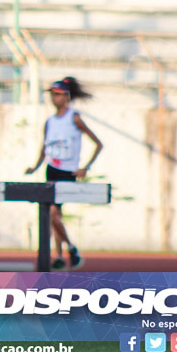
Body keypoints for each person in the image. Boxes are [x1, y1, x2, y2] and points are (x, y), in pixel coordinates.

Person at [25, 77, 103, 270]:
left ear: (66, 97)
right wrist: (35, 167)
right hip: (51, 169)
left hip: (67, 172)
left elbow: (98, 144)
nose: (54, 98)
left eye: (58, 94)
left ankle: (71, 248)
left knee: (52, 214)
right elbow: (45, 148)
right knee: (54, 215)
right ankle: (59, 256)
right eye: (52, 94)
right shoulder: (50, 122)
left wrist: (85, 167)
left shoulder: (74, 118)